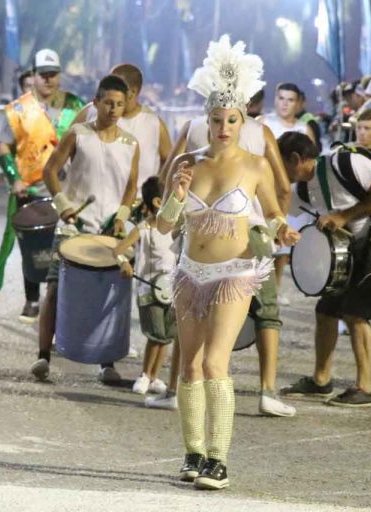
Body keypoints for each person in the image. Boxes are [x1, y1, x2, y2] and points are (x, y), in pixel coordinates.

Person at [158, 36, 298, 490]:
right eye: (216, 119)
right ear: (207, 119)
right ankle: (193, 454)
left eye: (231, 119)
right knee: (188, 367)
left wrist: (282, 231)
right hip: (188, 273)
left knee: (216, 363)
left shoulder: (255, 165)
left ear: (243, 121)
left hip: (234, 273)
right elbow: (163, 226)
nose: (223, 126)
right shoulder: (185, 162)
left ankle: (219, 460)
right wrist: (177, 198)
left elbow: (275, 214)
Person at [279, 132, 371, 408]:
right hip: (354, 251)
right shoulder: (304, 187)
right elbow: (278, 209)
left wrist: (343, 217)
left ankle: (365, 387)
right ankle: (321, 380)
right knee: (326, 310)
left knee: (355, 312)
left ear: (295, 159)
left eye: (282, 165)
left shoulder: (344, 162)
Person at [30, 74, 139, 384]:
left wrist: (122, 214)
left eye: (120, 104)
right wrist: (63, 204)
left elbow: (131, 186)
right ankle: (43, 355)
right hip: (73, 226)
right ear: (96, 102)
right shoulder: (78, 134)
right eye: (108, 103)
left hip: (108, 231)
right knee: (53, 287)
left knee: (109, 294)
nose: (114, 110)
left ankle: (107, 362)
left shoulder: (132, 144)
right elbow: (50, 170)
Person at [0, 49, 85, 323]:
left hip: (67, 191)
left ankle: (59, 301)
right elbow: (3, 146)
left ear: (60, 75)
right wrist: (14, 178)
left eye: (53, 75)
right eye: (42, 75)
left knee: (66, 246)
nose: (48, 80)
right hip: (31, 190)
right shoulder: (18, 110)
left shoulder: (75, 106)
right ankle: (32, 299)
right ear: (32, 76)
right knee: (32, 248)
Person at [113, 176, 176, 396]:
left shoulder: (178, 228)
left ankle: (155, 376)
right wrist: (124, 264)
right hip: (149, 289)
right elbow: (118, 250)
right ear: (159, 202)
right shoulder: (143, 229)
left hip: (172, 290)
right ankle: (145, 375)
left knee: (167, 335)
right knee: (155, 334)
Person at [259, 82, 316, 307]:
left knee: (283, 246)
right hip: (266, 190)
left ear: (298, 103)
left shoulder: (305, 128)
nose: (285, 104)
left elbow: (309, 162)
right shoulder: (264, 124)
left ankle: (277, 286)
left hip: (293, 194)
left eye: (290, 100)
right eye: (281, 98)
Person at [76, 63, 172, 195]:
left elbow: (169, 162)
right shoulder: (91, 111)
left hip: (137, 209)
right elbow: (66, 148)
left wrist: (155, 194)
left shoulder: (154, 125)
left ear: (132, 92)